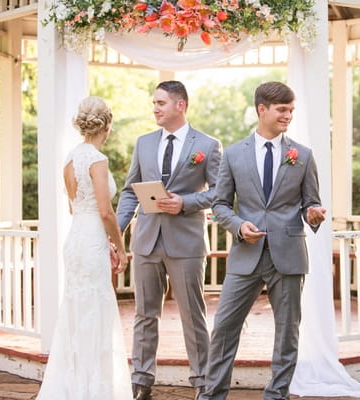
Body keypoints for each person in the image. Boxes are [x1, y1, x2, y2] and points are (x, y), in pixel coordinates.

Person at [199, 82, 326, 400]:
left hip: (288, 253)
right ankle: (213, 394)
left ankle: (277, 395)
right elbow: (220, 204)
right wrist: (239, 226)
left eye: (291, 110)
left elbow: (311, 202)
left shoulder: (304, 156)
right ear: (262, 110)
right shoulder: (232, 154)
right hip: (246, 254)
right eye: (282, 110)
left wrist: (313, 214)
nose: (288, 116)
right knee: (225, 327)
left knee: (287, 332)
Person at [116, 81, 222, 400]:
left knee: (193, 313)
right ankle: (141, 380)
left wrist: (186, 202)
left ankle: (203, 380)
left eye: (161, 102)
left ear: (180, 105)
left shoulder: (207, 144)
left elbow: (220, 192)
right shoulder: (143, 143)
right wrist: (115, 231)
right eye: (154, 103)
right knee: (145, 314)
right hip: (146, 241)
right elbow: (128, 191)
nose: (155, 108)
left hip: (186, 244)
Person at [37, 96, 132, 399]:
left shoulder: (70, 158)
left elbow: (73, 207)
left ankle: (71, 386)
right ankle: (95, 391)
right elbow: (106, 212)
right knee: (97, 310)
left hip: (76, 238)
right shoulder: (96, 160)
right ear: (108, 124)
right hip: (91, 239)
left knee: (77, 310)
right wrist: (121, 247)